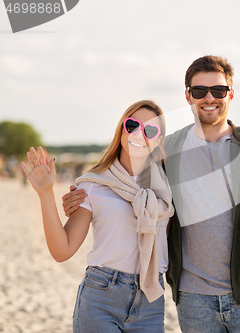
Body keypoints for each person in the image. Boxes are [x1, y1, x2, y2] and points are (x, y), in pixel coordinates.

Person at [63, 55, 240, 332]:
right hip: (193, 300)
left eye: (218, 90)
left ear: (230, 94)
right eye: (200, 91)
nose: (209, 97)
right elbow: (129, 178)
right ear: (188, 96)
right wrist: (84, 194)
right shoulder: (168, 149)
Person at [21, 100, 175, 332]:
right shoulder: (94, 184)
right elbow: (62, 250)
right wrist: (45, 194)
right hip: (101, 296)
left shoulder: (169, 187)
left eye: (150, 130)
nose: (139, 134)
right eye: (132, 125)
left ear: (159, 140)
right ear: (121, 129)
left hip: (151, 300)